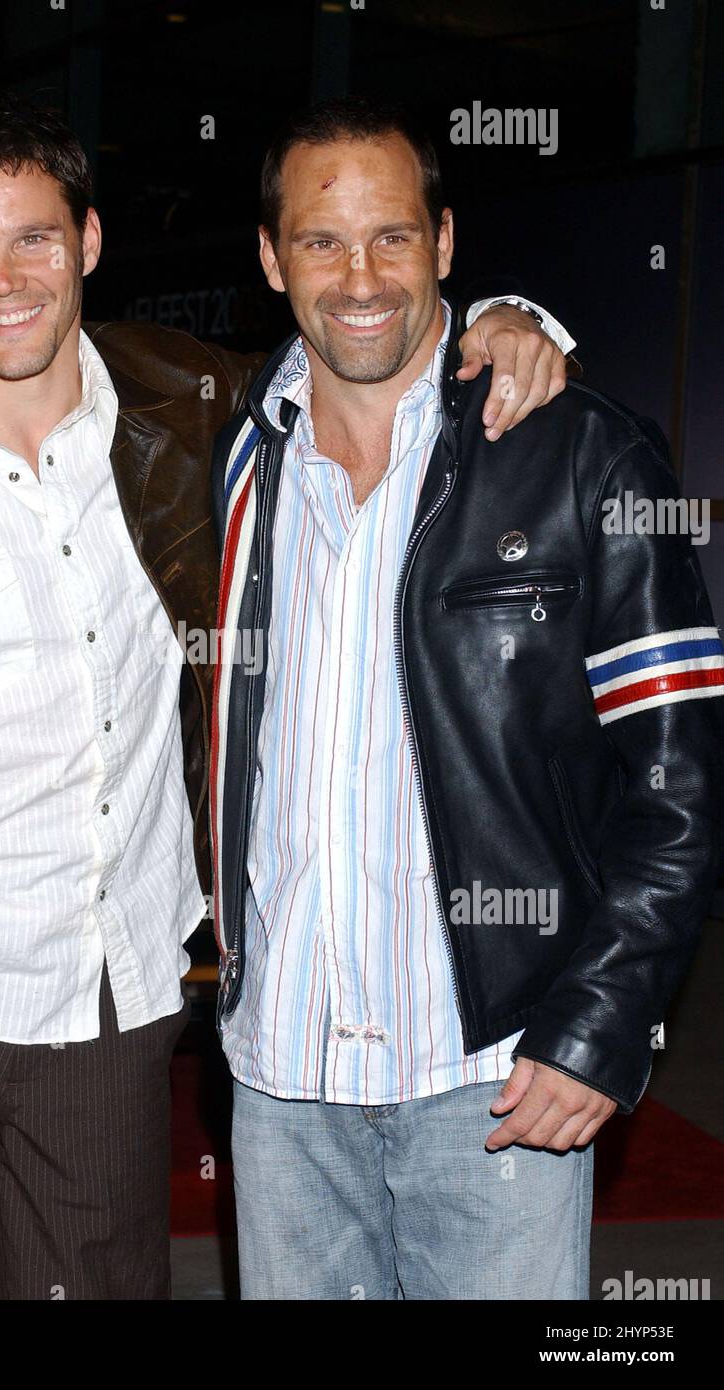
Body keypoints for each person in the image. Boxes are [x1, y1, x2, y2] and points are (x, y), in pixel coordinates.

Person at [0, 85, 571, 1299]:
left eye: (34, 238)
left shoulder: (197, 410)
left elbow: (367, 329)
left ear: (90, 242)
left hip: (112, 1014)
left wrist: (511, 317)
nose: (3, 279)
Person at [210, 95, 724, 1300]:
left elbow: (682, 785)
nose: (359, 275)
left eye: (392, 235)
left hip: (496, 1078)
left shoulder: (582, 454)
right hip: (280, 1084)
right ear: (273, 259)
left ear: (445, 244)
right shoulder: (228, 452)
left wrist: (598, 1027)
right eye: (322, 242)